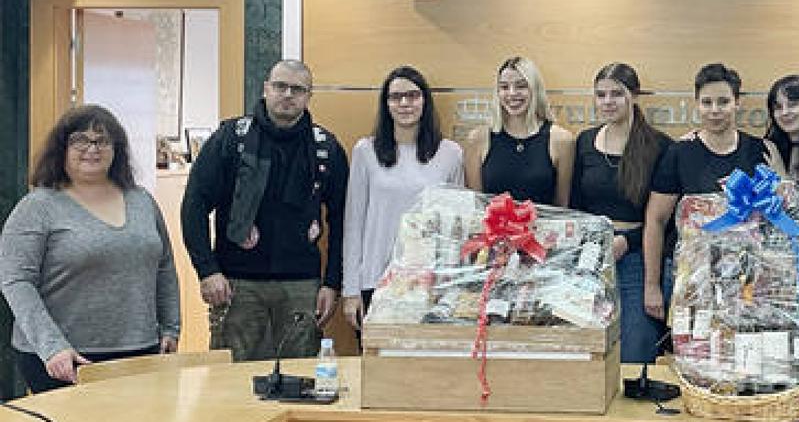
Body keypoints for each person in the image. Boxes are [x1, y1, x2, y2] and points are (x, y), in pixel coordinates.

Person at [0, 105, 180, 394]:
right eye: (79, 140)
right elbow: (16, 282)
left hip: (141, 350)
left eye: (102, 140)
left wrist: (171, 327)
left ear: (116, 149)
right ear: (62, 149)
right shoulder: (37, 207)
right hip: (65, 358)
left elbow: (164, 267)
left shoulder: (141, 200)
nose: (92, 148)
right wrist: (52, 347)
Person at [180, 59, 348, 361]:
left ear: (309, 96)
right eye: (280, 86)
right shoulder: (231, 139)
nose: (287, 94)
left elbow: (341, 220)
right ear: (266, 88)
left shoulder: (326, 148)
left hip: (302, 285)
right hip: (236, 285)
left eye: (297, 89)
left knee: (300, 381)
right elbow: (194, 204)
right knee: (231, 384)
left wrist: (333, 282)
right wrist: (207, 270)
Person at [643, 63, 779, 323]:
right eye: (707, 102)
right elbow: (656, 220)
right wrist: (652, 285)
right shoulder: (679, 154)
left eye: (723, 102)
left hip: (747, 277)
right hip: (690, 275)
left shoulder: (759, 151)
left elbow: (776, 215)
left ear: (737, 103)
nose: (715, 110)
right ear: (696, 104)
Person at [570, 62, 674, 398]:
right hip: (590, 263)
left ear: (635, 96)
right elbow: (575, 207)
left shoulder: (659, 146)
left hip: (639, 265)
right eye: (601, 94)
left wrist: (627, 243)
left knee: (635, 355)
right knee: (588, 357)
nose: (608, 101)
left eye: (617, 93)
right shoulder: (584, 142)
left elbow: (663, 220)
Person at [343, 66, 464, 332]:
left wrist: (453, 285)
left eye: (413, 95)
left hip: (431, 283)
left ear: (425, 101)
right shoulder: (366, 151)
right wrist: (350, 290)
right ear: (386, 104)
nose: (405, 103)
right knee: (377, 367)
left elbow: (457, 228)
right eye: (396, 97)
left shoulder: (450, 153)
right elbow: (353, 224)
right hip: (376, 280)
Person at [464, 56, 575, 206]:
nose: (511, 93)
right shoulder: (478, 139)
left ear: (535, 90)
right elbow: (476, 206)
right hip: (492, 229)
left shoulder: (562, 140)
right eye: (504, 87)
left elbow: (563, 206)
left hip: (544, 229)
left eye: (521, 86)